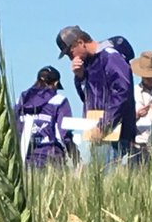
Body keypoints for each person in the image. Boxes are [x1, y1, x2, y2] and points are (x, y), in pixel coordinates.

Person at [56, 25, 136, 162]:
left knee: (109, 179)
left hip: (115, 135)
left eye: (70, 53)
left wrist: (104, 125)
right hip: (99, 134)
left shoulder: (110, 57)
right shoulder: (90, 64)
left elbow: (122, 92)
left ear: (80, 43)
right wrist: (80, 77)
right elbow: (87, 99)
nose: (71, 58)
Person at [14, 65, 76, 168]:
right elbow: (65, 134)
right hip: (51, 159)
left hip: (24, 160)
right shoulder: (59, 101)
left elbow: (12, 128)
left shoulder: (20, 101)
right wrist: (75, 155)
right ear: (55, 83)